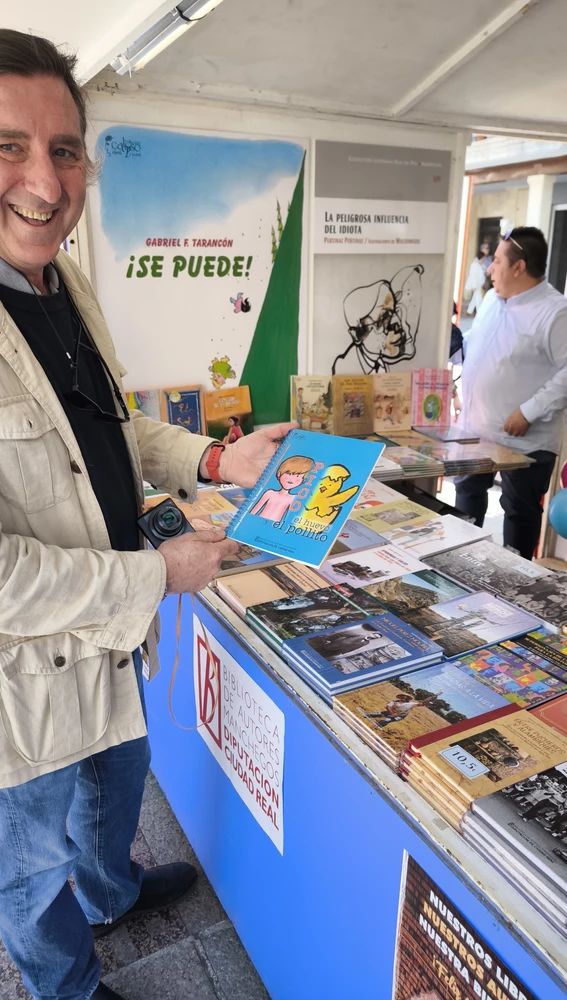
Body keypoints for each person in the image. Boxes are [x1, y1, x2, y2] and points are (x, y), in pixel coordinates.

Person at [0, 30, 296, 1000]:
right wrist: (155, 575)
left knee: (116, 789)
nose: (44, 183)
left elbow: (113, 435)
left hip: (110, 641)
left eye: (65, 148)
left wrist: (216, 456)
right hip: (24, 685)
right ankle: (70, 985)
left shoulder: (63, 283)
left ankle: (114, 887)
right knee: (26, 866)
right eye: (8, 146)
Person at [455, 226, 567, 560]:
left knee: (519, 513)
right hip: (476, 432)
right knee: (467, 502)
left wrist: (529, 411)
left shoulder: (555, 312)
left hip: (524, 439)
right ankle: (461, 568)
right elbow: (478, 349)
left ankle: (518, 587)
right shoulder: (492, 300)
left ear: (519, 267)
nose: (489, 268)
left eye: (498, 261)